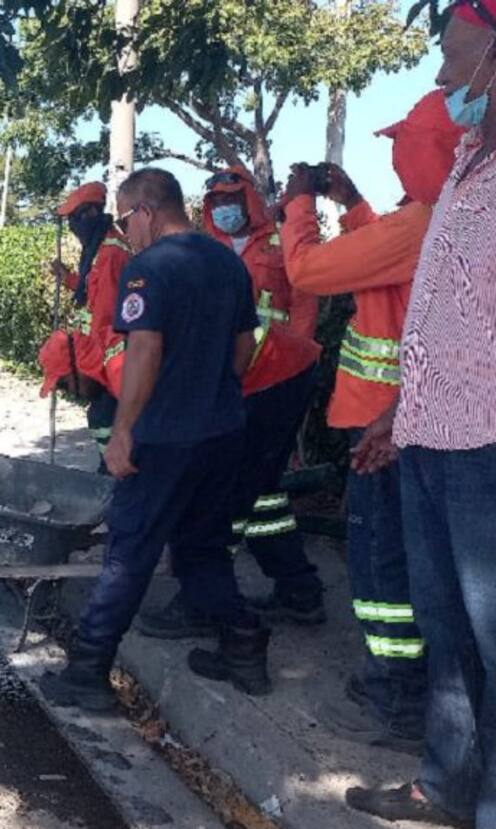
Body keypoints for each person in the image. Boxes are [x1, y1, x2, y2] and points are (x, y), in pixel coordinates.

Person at [344, 4, 496, 829]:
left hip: (487, 446)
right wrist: (397, 414)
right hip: (433, 437)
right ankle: (445, 785)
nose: (441, 77)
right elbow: (444, 322)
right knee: (447, 635)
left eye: (449, 54)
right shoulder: (469, 171)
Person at [39, 168, 267, 713]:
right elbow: (243, 347)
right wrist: (214, 391)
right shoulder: (226, 262)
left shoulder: (148, 269)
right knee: (202, 547)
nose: (124, 231)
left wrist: (123, 432)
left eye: (124, 219)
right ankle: (243, 641)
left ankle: (88, 670)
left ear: (146, 210)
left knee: (129, 549)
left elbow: (142, 353)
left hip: (165, 436)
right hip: (222, 431)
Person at [280, 89, 463, 755]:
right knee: (403, 556)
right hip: (407, 419)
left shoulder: (421, 225)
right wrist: (353, 202)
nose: (394, 156)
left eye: (400, 145)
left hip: (383, 425)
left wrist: (299, 201)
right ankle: (402, 687)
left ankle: (396, 697)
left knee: (382, 561)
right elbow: (375, 257)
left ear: (426, 150)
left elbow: (309, 269)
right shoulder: (435, 220)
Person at [134, 167, 324, 637]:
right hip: (251, 378)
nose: (224, 205)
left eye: (232, 196)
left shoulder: (274, 246)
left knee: (218, 495)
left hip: (275, 374)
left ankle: (202, 605)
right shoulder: (210, 251)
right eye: (216, 198)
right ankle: (298, 590)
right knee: (259, 491)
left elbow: (304, 303)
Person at [50, 181, 132, 455]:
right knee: (101, 415)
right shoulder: (97, 249)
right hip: (102, 355)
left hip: (111, 357)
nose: (72, 226)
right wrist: (70, 279)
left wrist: (89, 367)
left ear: (91, 214)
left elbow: (105, 314)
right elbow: (92, 291)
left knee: (104, 416)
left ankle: (112, 470)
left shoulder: (110, 253)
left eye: (75, 218)